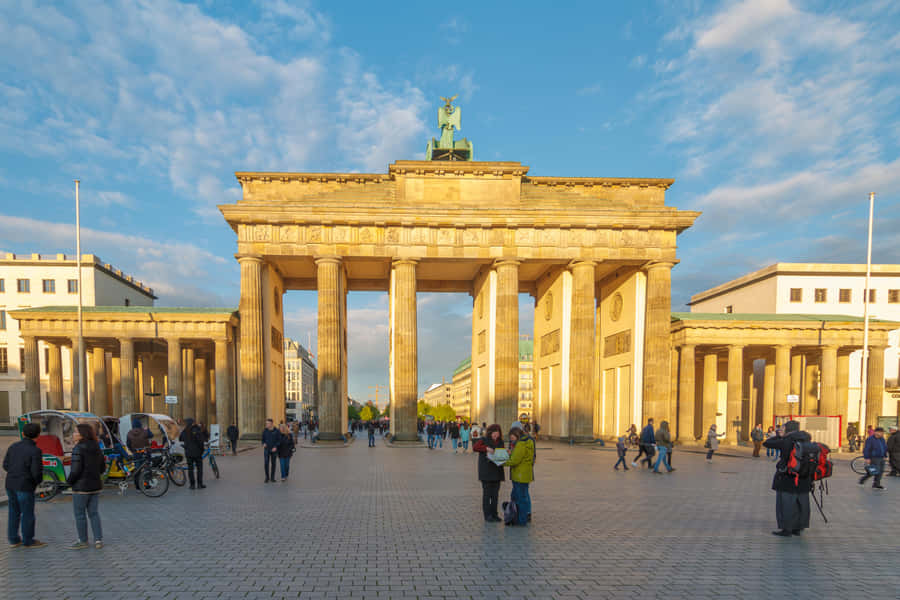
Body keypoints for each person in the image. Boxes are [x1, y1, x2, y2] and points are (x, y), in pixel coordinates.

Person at [3, 422, 46, 548]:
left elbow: (5, 464)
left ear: (23, 433)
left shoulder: (13, 446)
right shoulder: (35, 450)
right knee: (27, 513)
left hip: (10, 483)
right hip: (25, 485)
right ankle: (28, 540)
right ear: (38, 435)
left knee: (13, 512)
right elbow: (36, 471)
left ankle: (13, 539)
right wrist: (37, 481)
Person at [66, 424, 105, 549]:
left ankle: (83, 540)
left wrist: (69, 482)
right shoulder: (96, 447)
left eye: (75, 431)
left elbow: (75, 470)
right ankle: (98, 540)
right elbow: (102, 468)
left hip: (81, 487)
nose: (73, 434)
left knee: (80, 514)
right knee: (94, 513)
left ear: (82, 434)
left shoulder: (78, 448)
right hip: (95, 485)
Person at [473, 424, 505, 522]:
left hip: (497, 472)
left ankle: (494, 514)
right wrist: (486, 448)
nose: (496, 436)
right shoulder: (484, 440)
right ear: (490, 433)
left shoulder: (501, 442)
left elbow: (502, 454)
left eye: (497, 434)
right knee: (487, 495)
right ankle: (487, 515)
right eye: (494, 434)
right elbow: (475, 447)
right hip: (486, 472)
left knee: (495, 495)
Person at [504, 426, 535, 526]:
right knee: (523, 496)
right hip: (525, 474)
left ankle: (521, 520)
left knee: (520, 498)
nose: (511, 439)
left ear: (516, 435)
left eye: (512, 437)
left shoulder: (521, 444)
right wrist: (512, 452)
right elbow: (522, 456)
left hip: (519, 475)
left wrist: (500, 462)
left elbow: (515, 460)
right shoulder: (528, 441)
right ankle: (522, 516)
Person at [179, 418, 206, 490]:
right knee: (199, 469)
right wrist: (202, 450)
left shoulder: (185, 431)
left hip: (188, 453)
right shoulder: (197, 429)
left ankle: (192, 485)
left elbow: (180, 438)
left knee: (190, 469)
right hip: (197, 453)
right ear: (193, 423)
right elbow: (200, 441)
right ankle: (200, 484)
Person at [261, 418, 281, 483]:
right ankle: (267, 477)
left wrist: (275, 447)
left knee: (273, 463)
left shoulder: (277, 431)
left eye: (267, 423)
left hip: (274, 450)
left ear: (271, 424)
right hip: (266, 449)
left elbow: (279, 440)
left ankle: (272, 477)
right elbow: (262, 439)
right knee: (266, 463)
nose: (266, 424)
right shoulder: (265, 430)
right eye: (266, 423)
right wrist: (263, 443)